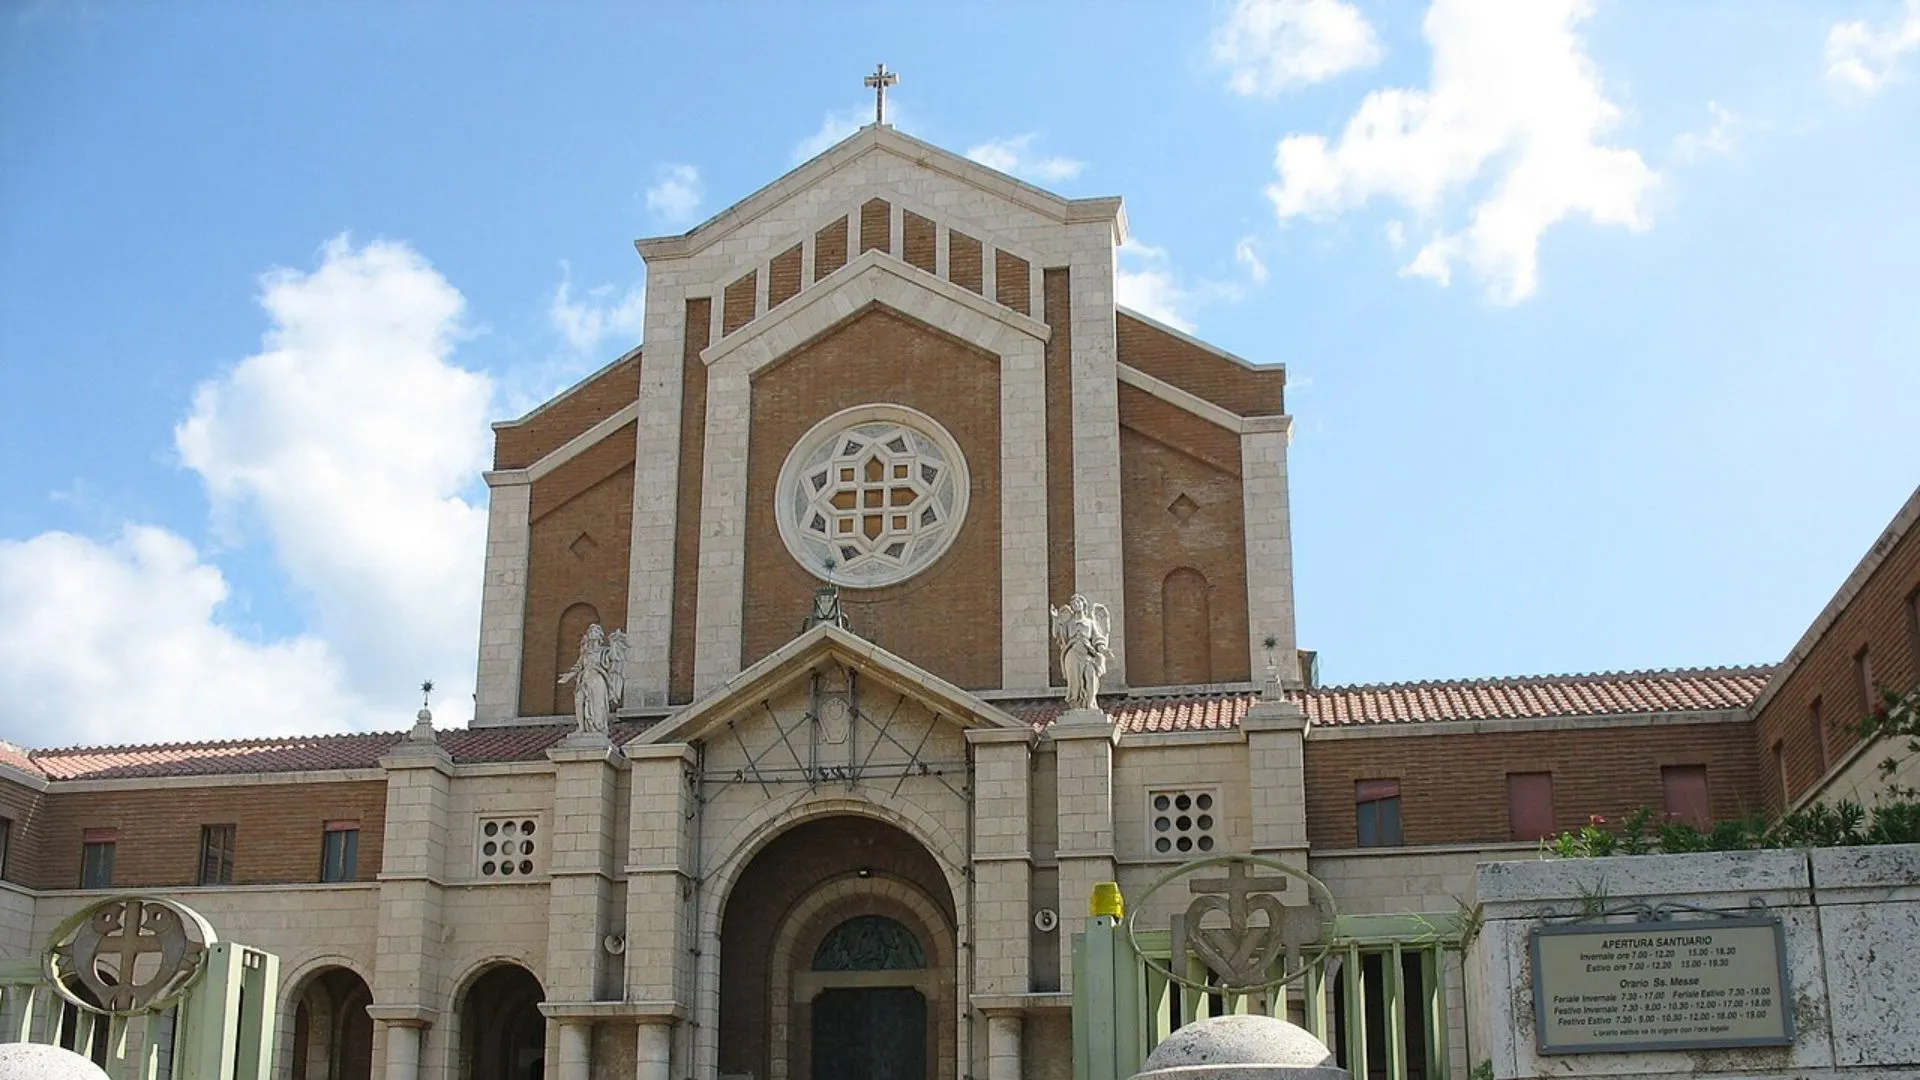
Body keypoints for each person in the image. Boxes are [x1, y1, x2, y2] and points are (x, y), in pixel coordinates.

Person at [1050, 594, 1112, 710]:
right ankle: (1077, 705)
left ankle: (1090, 704)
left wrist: (1103, 649)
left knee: (1091, 678)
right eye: (1073, 603)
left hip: (1088, 655)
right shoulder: (1069, 624)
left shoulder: (1090, 623)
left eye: (1078, 602)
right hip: (1072, 654)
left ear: (1083, 604)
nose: (1076, 605)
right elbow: (1058, 635)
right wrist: (1055, 619)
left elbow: (1097, 638)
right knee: (1075, 684)